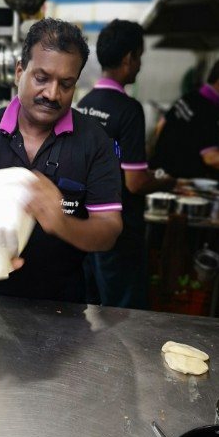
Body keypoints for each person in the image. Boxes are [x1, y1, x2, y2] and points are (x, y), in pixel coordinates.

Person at [0, 18, 123, 303]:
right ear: (19, 72)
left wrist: (62, 224)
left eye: (66, 84)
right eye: (41, 78)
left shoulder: (94, 141)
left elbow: (109, 230)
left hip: (63, 307)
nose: (52, 94)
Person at [77, 19, 176, 309]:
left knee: (90, 310)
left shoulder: (85, 104)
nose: (140, 65)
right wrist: (167, 180)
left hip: (86, 226)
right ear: (129, 58)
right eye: (140, 57)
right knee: (124, 315)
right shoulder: (129, 110)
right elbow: (135, 182)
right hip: (119, 232)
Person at [150, 56, 219, 179]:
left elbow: (161, 125)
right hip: (178, 178)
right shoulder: (209, 110)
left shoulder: (190, 96)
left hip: (158, 170)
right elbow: (211, 158)